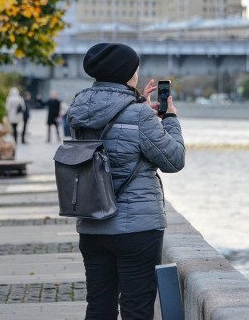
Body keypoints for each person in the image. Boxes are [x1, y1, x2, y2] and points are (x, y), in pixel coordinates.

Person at [65, 42, 185, 320]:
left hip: (93, 224)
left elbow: (110, 135)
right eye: (136, 70)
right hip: (136, 230)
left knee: (99, 307)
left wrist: (138, 105)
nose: (138, 75)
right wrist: (170, 119)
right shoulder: (140, 115)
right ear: (125, 73)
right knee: (136, 309)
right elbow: (174, 160)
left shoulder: (79, 110)